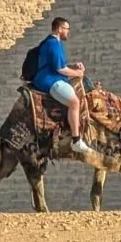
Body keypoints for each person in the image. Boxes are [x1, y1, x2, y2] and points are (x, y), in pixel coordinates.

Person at [32, 16, 94, 155]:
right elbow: (60, 69)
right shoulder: (53, 44)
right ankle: (76, 140)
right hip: (50, 81)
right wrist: (77, 73)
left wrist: (72, 66)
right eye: (67, 29)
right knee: (74, 102)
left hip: (54, 77)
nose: (68, 32)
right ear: (59, 29)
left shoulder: (54, 42)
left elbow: (59, 65)